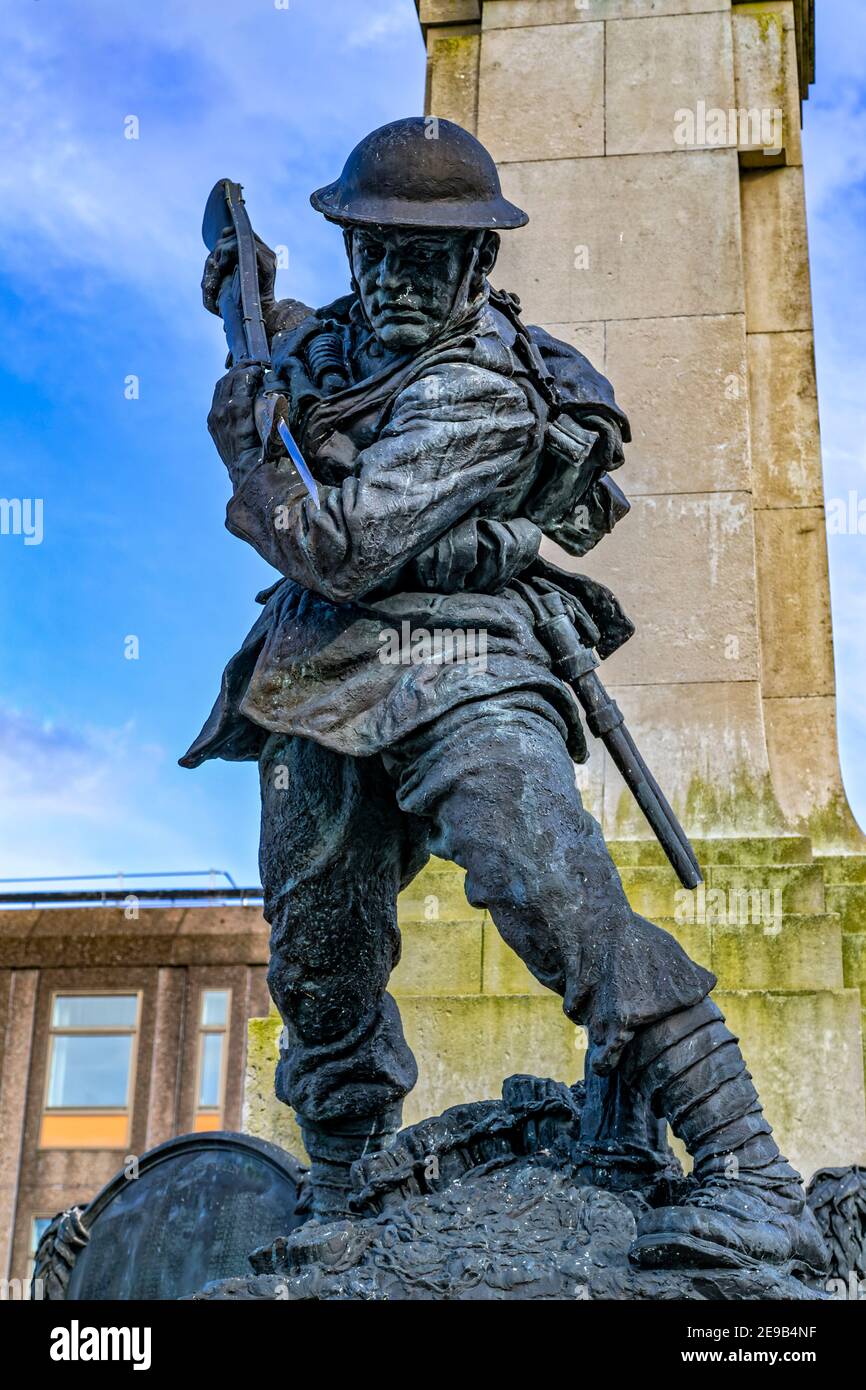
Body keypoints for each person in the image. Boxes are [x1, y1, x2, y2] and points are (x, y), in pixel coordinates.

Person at [182, 117, 826, 1275]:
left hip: (464, 659)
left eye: (422, 258)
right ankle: (344, 1192)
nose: (390, 280)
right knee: (318, 954)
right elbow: (302, 347)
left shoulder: (480, 393)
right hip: (317, 676)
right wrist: (249, 291)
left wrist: (251, 460)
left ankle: (746, 1165)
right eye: (370, 250)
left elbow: (337, 543)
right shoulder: (349, 334)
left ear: (477, 265)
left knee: (552, 891)